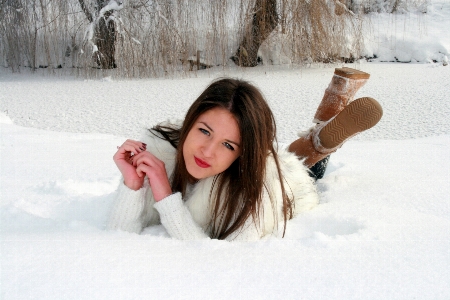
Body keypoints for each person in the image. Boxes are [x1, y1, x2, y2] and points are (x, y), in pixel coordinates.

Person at [107, 68, 382, 241]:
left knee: (310, 167)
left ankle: (325, 133)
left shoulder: (257, 190)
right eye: (204, 131)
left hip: (289, 191)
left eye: (228, 145)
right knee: (297, 154)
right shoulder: (159, 153)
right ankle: (328, 115)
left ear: (243, 154)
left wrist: (166, 197)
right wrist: (132, 185)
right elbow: (119, 235)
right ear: (189, 121)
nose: (207, 151)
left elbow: (214, 259)